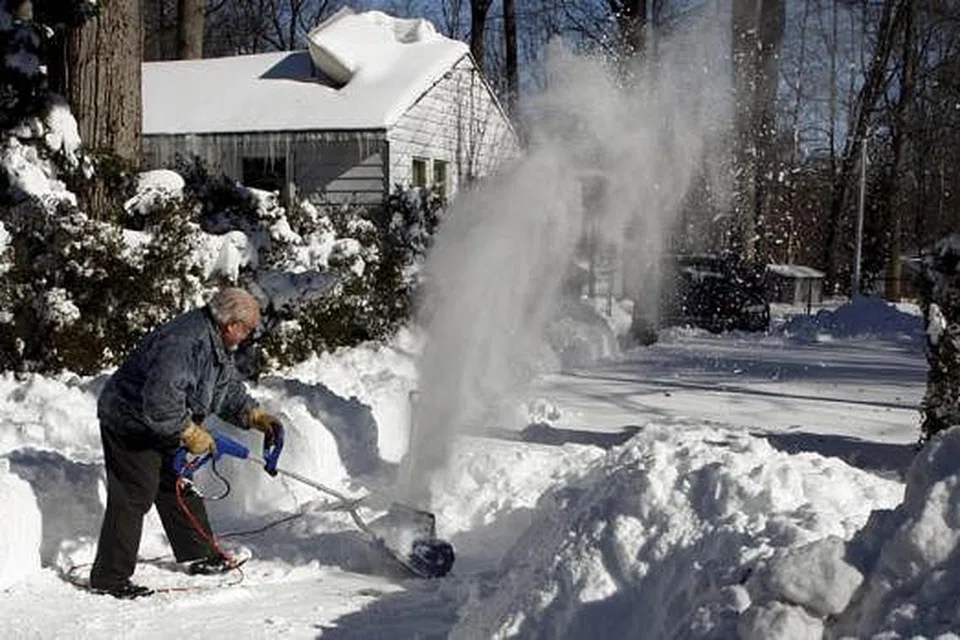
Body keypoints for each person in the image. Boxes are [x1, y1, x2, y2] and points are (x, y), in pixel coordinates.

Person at [88, 287, 284, 599]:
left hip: (165, 422)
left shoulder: (214, 342)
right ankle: (109, 577)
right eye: (247, 329)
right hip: (130, 420)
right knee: (135, 492)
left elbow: (225, 388)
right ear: (232, 324)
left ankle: (199, 553)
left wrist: (256, 416)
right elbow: (160, 402)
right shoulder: (183, 342)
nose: (247, 336)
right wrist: (189, 432)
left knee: (177, 482)